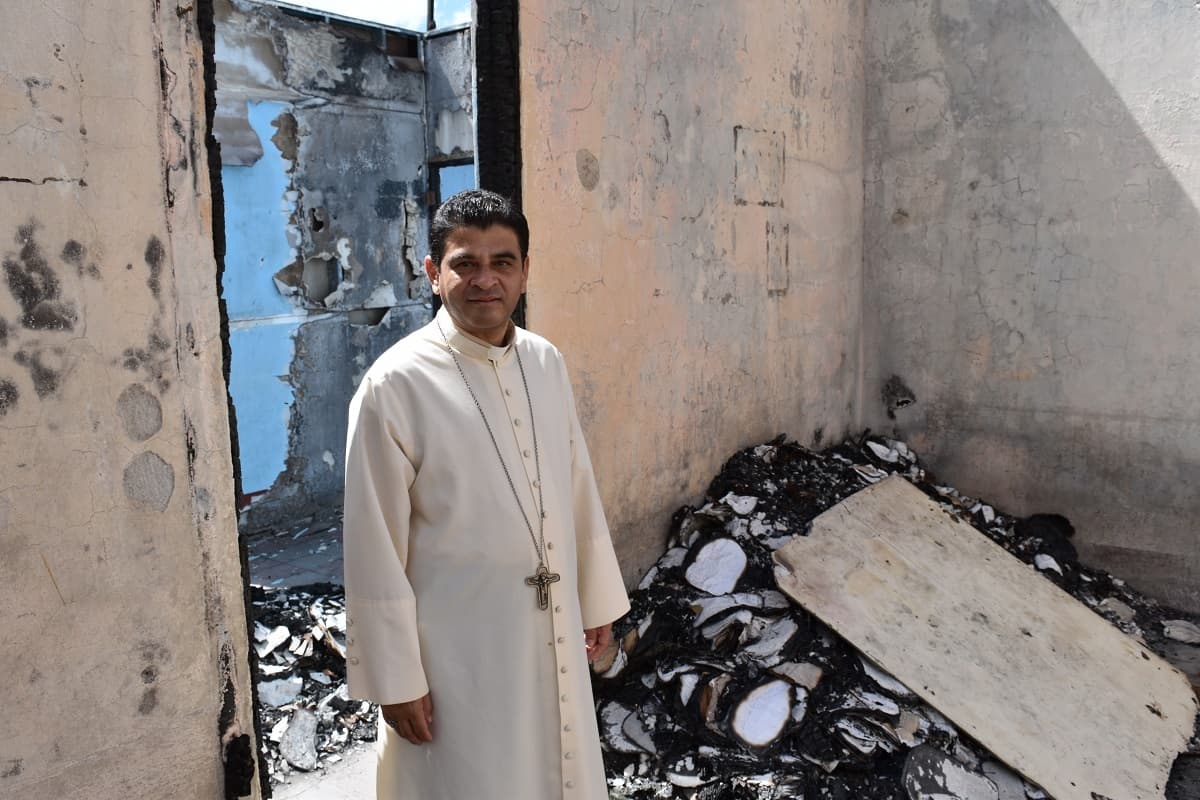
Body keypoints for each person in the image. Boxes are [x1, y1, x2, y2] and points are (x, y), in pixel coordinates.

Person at [342, 189, 630, 799]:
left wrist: (595, 596)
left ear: (525, 271)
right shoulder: (394, 385)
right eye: (464, 263)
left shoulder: (545, 361)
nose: (484, 280)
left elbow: (575, 484)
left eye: (502, 262)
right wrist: (396, 679)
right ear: (432, 272)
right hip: (456, 655)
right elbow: (373, 545)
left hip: (546, 627)